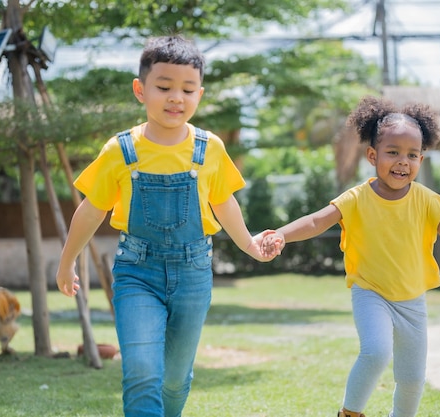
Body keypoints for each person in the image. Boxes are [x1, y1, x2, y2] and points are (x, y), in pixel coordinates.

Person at [56, 34, 277, 417]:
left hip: (194, 273)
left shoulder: (210, 148)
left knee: (175, 379)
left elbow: (224, 203)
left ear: (200, 95)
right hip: (136, 271)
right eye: (164, 87)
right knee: (142, 372)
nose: (177, 97)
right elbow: (91, 211)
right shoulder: (120, 150)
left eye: (188, 89)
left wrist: (250, 245)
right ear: (140, 90)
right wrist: (66, 261)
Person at [262, 95, 440, 417]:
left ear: (421, 159)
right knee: (376, 352)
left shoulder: (427, 199)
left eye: (412, 155)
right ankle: (350, 413)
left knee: (411, 379)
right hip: (371, 292)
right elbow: (315, 221)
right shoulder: (356, 198)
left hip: (412, 299)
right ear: (372, 155)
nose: (402, 162)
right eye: (392, 152)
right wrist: (280, 234)